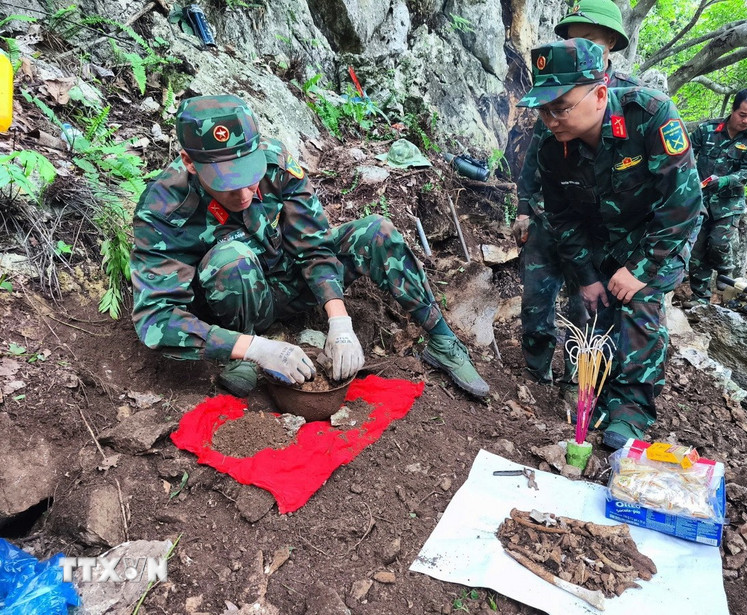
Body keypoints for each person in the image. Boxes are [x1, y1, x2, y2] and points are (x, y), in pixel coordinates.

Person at [130, 95, 489, 399]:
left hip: (291, 279)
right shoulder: (163, 210)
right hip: (235, 310)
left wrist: (340, 321)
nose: (244, 194)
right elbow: (156, 318)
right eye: (226, 183)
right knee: (230, 259)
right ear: (190, 163)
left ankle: (442, 341)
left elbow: (314, 246)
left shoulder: (276, 163)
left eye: (248, 175)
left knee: (376, 231)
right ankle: (243, 360)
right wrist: (253, 348)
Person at [517, 39, 703, 449]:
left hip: (661, 235)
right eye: (543, 109)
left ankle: (631, 410)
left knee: (639, 300)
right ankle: (591, 392)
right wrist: (586, 276)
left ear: (599, 94)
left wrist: (639, 270)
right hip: (603, 235)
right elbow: (562, 217)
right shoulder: (552, 149)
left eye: (560, 107)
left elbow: (684, 202)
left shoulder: (650, 115)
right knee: (593, 304)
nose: (550, 119)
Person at [514, 0, 642, 386]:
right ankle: (535, 374)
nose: (578, 50)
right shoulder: (552, 96)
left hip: (596, 233)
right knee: (536, 299)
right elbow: (535, 155)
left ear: (610, 45)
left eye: (588, 41)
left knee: (584, 304)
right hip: (548, 218)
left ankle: (577, 378)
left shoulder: (628, 100)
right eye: (572, 41)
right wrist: (523, 207)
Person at [685, 88, 747, 308]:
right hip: (699, 199)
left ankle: (725, 274)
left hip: (729, 203)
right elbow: (685, 155)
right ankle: (699, 298)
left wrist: (724, 180)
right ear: (733, 109)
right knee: (696, 250)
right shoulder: (708, 129)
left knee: (719, 243)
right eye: (743, 114)